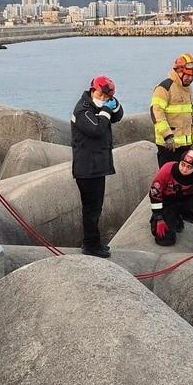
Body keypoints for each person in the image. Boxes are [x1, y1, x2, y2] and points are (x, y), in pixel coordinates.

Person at [71, 75, 122, 257]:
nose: (104, 99)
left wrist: (113, 105)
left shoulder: (98, 107)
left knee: (96, 208)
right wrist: (106, 112)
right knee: (91, 209)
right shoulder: (82, 111)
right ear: (94, 90)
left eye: (107, 97)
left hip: (97, 167)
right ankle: (90, 245)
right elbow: (97, 129)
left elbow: (118, 116)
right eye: (102, 95)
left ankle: (95, 241)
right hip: (86, 169)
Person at [150, 52, 193, 167]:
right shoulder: (164, 88)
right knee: (168, 177)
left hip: (185, 145)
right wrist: (167, 136)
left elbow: (192, 114)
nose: (190, 79)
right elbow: (156, 113)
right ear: (178, 71)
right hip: (169, 146)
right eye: (187, 75)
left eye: (192, 76)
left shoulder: (187, 89)